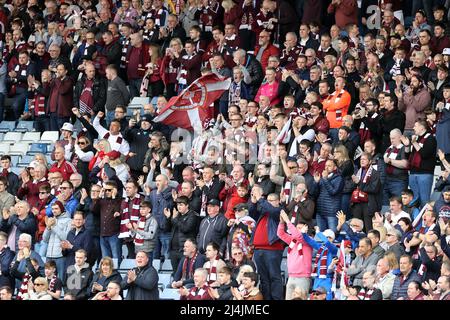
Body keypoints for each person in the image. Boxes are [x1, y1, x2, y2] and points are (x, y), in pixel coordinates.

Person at [248, 186, 284, 300]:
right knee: (264, 278)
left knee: (274, 277)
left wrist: (260, 198)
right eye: (267, 201)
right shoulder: (264, 213)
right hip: (258, 250)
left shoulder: (279, 211)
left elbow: (272, 210)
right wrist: (254, 201)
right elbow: (252, 213)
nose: (268, 203)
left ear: (278, 201)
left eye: (271, 201)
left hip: (272, 249)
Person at [277, 210, 313, 299]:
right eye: (297, 228)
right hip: (291, 276)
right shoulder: (293, 241)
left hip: (302, 277)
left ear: (306, 229)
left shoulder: (308, 240)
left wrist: (287, 221)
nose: (297, 230)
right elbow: (280, 234)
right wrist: (282, 222)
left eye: (300, 228)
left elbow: (299, 236)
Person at [42, 200, 72, 277]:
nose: (54, 211)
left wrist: (54, 226)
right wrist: (48, 227)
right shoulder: (51, 220)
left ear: (61, 209)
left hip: (60, 255)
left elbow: (66, 238)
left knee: (61, 279)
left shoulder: (68, 221)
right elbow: (45, 239)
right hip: (49, 255)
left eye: (56, 209)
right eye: (52, 209)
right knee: (48, 279)